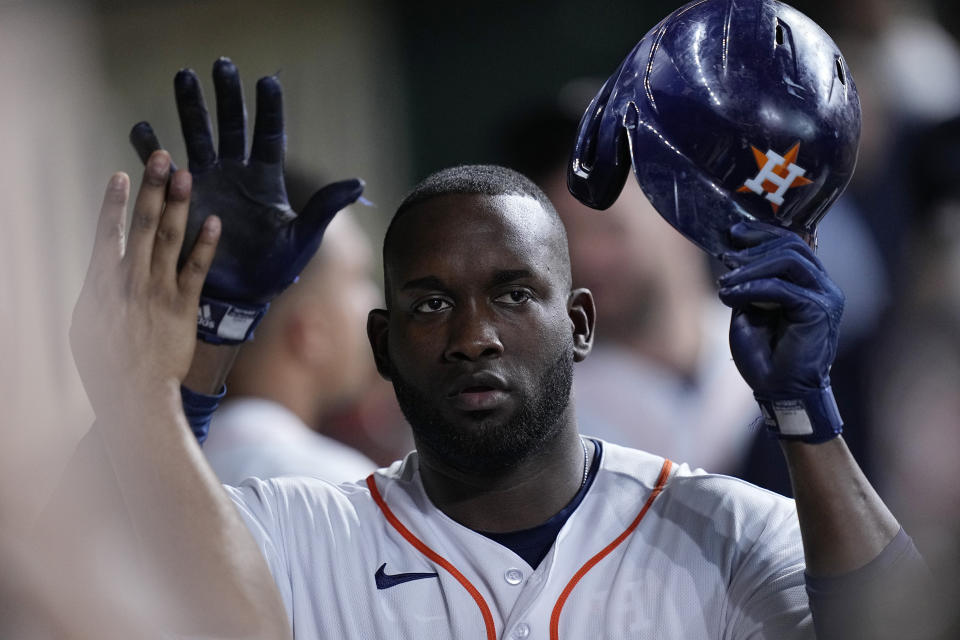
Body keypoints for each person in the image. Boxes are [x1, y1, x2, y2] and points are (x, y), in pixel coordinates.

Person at [69, 58, 934, 638]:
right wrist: (180, 369)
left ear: (581, 323)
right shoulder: (303, 526)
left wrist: (806, 415)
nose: (474, 336)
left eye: (516, 295)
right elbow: (70, 570)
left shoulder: (725, 527)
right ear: (381, 342)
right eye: (431, 303)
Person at [502, 108, 758, 475]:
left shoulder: (785, 347)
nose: (586, 255)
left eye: (605, 227)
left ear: (682, 208)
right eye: (564, 237)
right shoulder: (549, 414)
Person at [201, 205, 379, 485]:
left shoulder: (152, 473)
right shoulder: (343, 490)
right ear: (311, 330)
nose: (376, 304)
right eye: (358, 278)